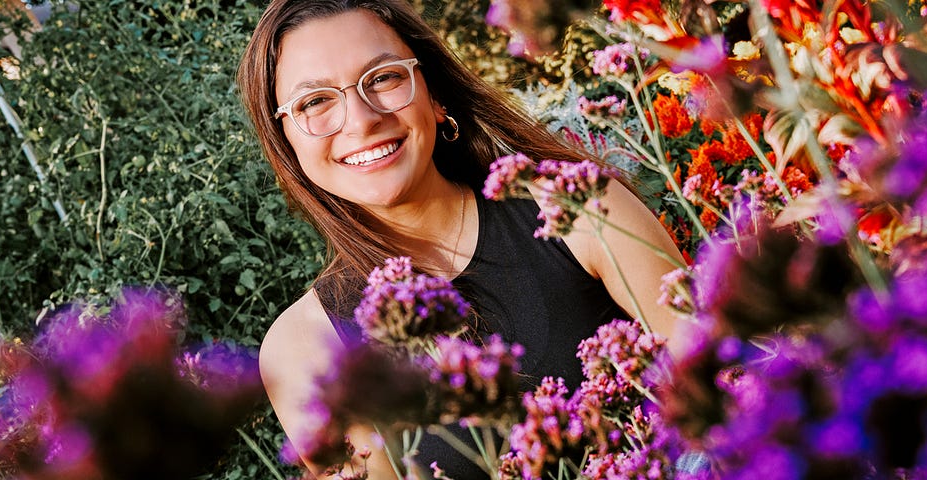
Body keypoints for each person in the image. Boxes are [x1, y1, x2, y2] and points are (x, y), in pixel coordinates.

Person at [236, 0, 686, 478]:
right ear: (286, 143)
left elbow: (727, 381)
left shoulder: (575, 206)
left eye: (384, 77)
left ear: (434, 94)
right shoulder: (303, 348)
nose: (362, 118)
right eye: (315, 102)